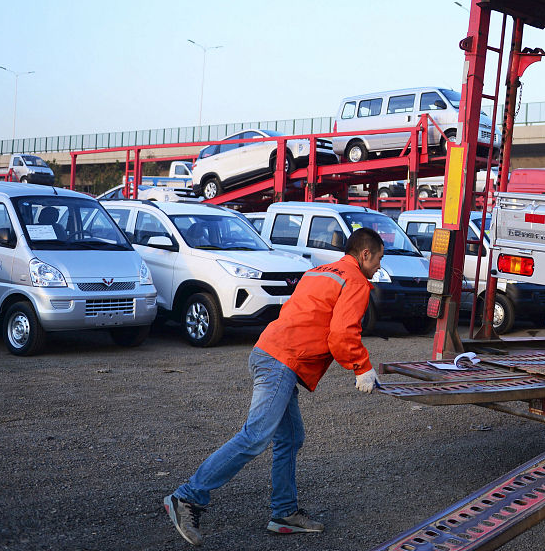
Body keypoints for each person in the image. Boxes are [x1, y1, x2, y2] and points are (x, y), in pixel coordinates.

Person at [163, 227, 384, 546]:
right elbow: (341, 335)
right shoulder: (355, 280)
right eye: (378, 258)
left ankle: (283, 513)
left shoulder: (319, 271)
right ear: (365, 254)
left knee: (291, 437)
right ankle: (187, 498)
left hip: (271, 352)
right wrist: (361, 367)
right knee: (255, 436)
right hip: (282, 361)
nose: (378, 265)